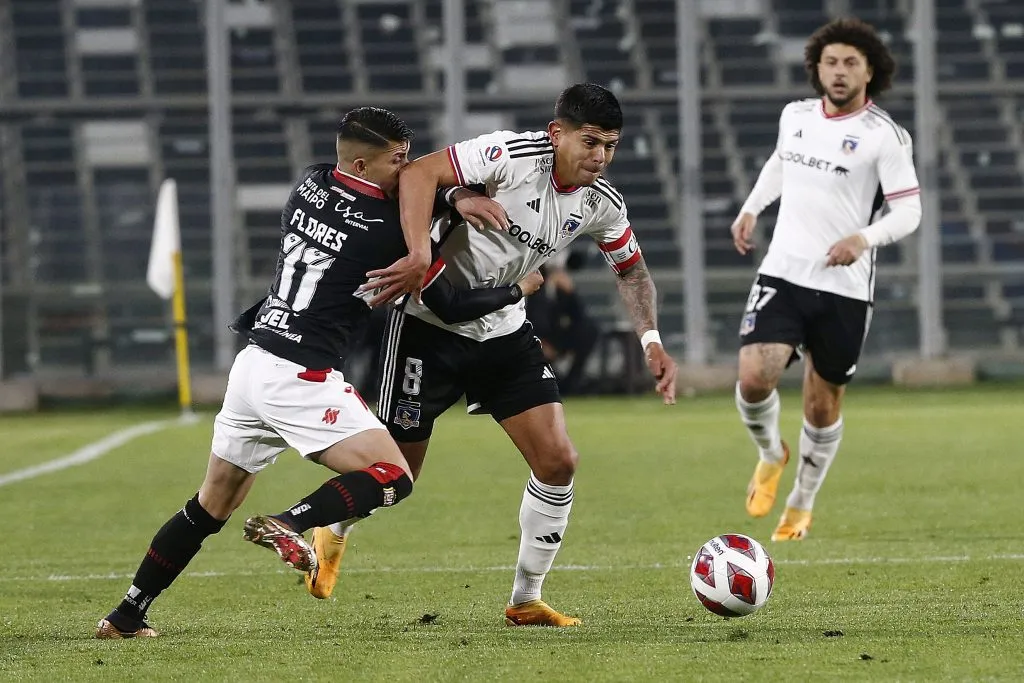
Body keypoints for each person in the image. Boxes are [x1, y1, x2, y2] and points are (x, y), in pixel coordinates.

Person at [94, 107, 542, 638]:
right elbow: (449, 305)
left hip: (254, 363)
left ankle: (126, 614)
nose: (409, 169)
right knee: (392, 476)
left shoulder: (309, 184)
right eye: (398, 160)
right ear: (361, 161)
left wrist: (455, 194)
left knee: (209, 505)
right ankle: (290, 523)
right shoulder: (387, 233)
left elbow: (414, 186)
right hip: (300, 375)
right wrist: (520, 289)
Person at [304, 83, 678, 627]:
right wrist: (421, 246)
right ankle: (332, 530)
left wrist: (652, 340)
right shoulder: (511, 155)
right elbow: (417, 173)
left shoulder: (602, 204)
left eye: (611, 146)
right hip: (425, 328)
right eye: (591, 141)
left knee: (558, 462)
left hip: (503, 332)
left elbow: (632, 271)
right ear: (557, 134)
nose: (600, 156)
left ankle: (525, 599)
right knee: (394, 474)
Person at [730, 18, 921, 541]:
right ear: (817, 68)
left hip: (845, 287)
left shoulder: (885, 136)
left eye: (851, 63)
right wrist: (751, 208)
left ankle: (801, 503)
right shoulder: (794, 116)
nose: (839, 72)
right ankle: (771, 453)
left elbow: (909, 213)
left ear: (869, 72)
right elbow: (781, 163)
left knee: (822, 403)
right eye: (831, 62)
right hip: (785, 271)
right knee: (752, 378)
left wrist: (862, 239)